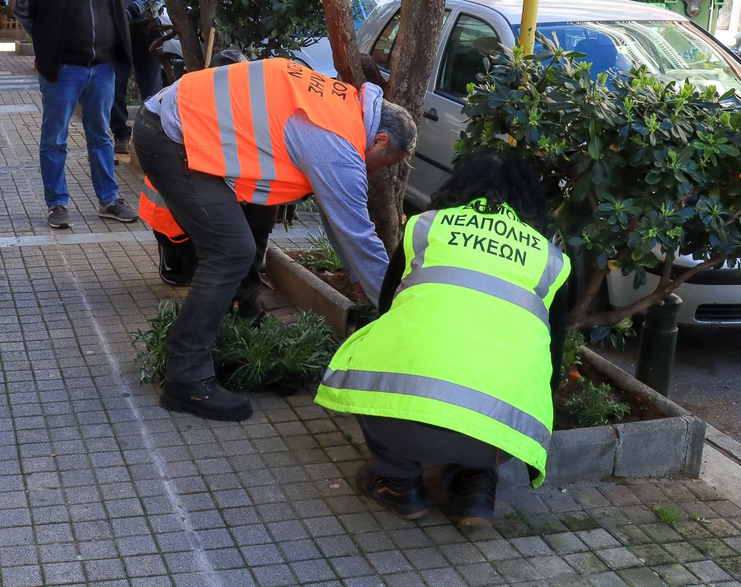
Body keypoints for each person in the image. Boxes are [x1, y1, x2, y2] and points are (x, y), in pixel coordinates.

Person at [133, 56, 417, 421]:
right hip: (171, 136)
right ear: (380, 139)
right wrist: (399, 314)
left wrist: (360, 279)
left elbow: (337, 217)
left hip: (177, 122)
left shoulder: (344, 107)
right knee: (230, 251)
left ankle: (239, 320)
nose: (380, 171)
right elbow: (357, 234)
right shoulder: (338, 144)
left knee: (247, 230)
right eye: (387, 163)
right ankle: (186, 379)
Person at [315, 150, 570, 527]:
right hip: (501, 437)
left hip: (402, 423)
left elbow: (388, 310)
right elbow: (554, 358)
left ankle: (400, 484)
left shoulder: (425, 228)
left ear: (459, 186)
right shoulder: (551, 259)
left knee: (370, 350)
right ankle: (476, 490)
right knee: (489, 411)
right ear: (527, 200)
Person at [14, 0, 139, 230]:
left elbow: (114, 7)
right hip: (64, 70)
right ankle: (57, 204)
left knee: (101, 134)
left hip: (102, 69)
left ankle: (108, 199)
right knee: (54, 137)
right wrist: (48, 40)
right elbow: (23, 9)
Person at [138, 49, 274, 320]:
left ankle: (237, 299)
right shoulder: (206, 114)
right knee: (248, 220)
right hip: (178, 232)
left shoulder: (183, 96)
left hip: (171, 227)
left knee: (251, 212)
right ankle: (239, 305)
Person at [106, 0, 165, 154]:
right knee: (114, 86)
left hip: (147, 30)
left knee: (151, 87)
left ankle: (153, 137)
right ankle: (121, 135)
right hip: (117, 31)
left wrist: (132, 10)